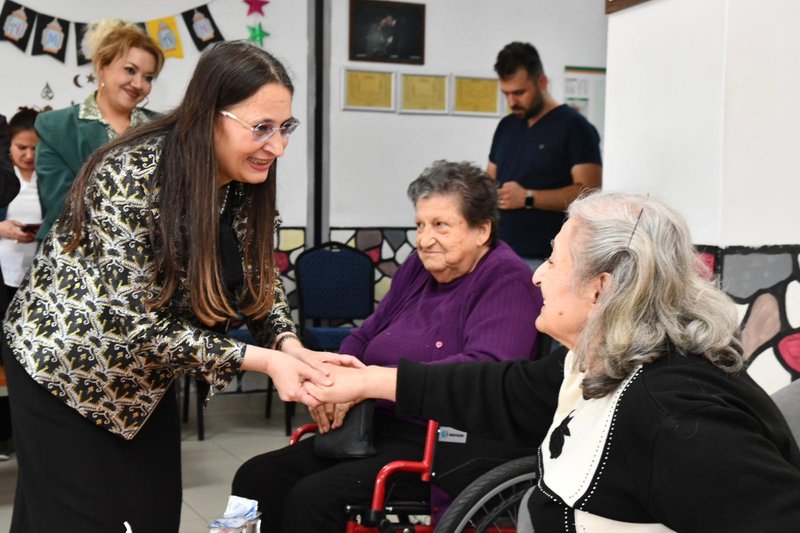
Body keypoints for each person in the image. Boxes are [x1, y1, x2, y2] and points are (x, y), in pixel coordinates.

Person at [1, 41, 359, 532]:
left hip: (141, 375)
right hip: (63, 365)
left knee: (151, 511)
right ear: (210, 115)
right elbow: (131, 324)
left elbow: (260, 281)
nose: (278, 146)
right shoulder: (133, 171)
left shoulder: (241, 181)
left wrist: (290, 345)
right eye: (262, 128)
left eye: (285, 127)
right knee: (78, 518)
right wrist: (267, 361)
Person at [304, 191, 800, 532]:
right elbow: (499, 389)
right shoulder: (600, 365)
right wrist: (369, 381)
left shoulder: (672, 416)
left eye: (554, 261)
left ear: (602, 290)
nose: (537, 276)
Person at [232, 160, 543, 532]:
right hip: (372, 426)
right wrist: (337, 383)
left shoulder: (507, 281)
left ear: (482, 230)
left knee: (312, 498)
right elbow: (365, 335)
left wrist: (369, 384)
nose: (424, 240)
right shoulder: (419, 267)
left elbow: (486, 373)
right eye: (420, 225)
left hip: (441, 446)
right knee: (255, 477)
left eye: (440, 225)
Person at [35, 19, 164, 240]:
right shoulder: (55, 127)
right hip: (72, 257)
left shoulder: (163, 129)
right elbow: (61, 205)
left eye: (148, 77)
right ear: (102, 66)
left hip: (146, 258)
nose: (138, 83)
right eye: (130, 70)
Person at [489, 42, 602, 270]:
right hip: (501, 254)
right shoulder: (506, 126)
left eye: (519, 93)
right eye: (506, 94)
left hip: (549, 261)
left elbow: (589, 193)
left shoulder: (574, 127)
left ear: (541, 82)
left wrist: (528, 197)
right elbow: (489, 179)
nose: (512, 102)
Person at [0, 107, 45, 302]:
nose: (29, 155)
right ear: (8, 145)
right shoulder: (4, 180)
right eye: (21, 147)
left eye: (35, 148)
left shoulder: (50, 180)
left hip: (37, 276)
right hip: (3, 275)